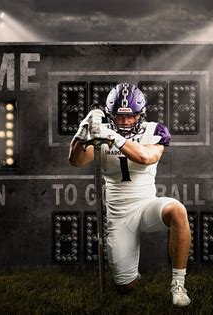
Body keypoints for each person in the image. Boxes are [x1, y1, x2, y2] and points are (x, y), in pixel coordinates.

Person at [68, 83, 191, 307]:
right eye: (119, 117)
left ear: (140, 115)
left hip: (147, 206)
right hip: (118, 215)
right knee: (126, 288)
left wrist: (114, 137)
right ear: (110, 115)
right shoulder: (100, 132)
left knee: (177, 210)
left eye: (131, 117)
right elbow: (76, 161)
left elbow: (146, 157)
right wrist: (82, 132)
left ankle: (178, 285)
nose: (125, 122)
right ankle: (130, 274)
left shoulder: (153, 130)